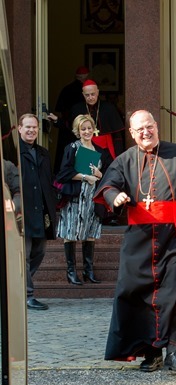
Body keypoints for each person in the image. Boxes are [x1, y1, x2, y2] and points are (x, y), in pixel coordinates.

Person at [94, 109, 176, 372]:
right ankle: (151, 352)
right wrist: (115, 197)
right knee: (136, 292)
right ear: (131, 133)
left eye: (149, 126)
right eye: (139, 129)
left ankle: (175, 352)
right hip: (138, 238)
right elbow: (108, 186)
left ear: (156, 126)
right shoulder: (125, 159)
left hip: (174, 235)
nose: (145, 132)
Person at [55, 114, 113, 285]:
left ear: (93, 129)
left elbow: (110, 174)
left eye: (89, 128)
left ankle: (88, 271)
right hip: (75, 198)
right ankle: (71, 271)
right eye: (83, 129)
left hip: (93, 199)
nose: (87, 131)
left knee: (90, 234)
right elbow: (63, 173)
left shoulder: (100, 151)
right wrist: (85, 177)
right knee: (71, 233)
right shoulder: (72, 148)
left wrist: (99, 174)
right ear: (77, 131)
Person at [18, 113, 57, 310]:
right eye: (28, 127)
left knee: (39, 251)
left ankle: (17, 287)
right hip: (21, 211)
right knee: (23, 255)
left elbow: (47, 182)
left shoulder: (43, 152)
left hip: (41, 211)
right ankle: (27, 294)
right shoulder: (13, 152)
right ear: (19, 129)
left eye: (34, 127)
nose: (32, 130)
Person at [48, 79, 124, 161]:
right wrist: (57, 120)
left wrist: (118, 157)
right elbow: (69, 126)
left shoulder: (109, 108)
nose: (90, 97)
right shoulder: (77, 108)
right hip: (85, 148)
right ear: (83, 95)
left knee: (106, 172)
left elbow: (117, 137)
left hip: (106, 150)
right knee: (87, 172)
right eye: (87, 95)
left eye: (93, 94)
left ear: (98, 92)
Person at [49, 66, 90, 174]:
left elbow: (60, 110)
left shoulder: (66, 89)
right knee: (83, 169)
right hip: (72, 130)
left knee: (66, 161)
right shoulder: (77, 92)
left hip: (67, 129)